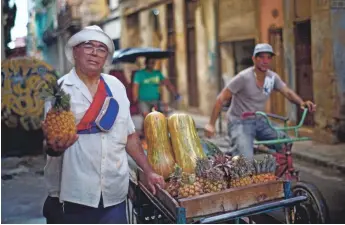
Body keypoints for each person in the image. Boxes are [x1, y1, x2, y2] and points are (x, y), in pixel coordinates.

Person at [42, 25, 165, 224]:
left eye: (101, 49)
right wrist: (54, 148)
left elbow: (130, 136)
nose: (94, 53)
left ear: (106, 56)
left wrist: (149, 171)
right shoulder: (61, 90)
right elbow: (50, 143)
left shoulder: (116, 86)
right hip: (74, 196)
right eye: (88, 46)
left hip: (114, 194)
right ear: (75, 51)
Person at [204, 43, 316, 159]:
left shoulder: (272, 78)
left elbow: (287, 92)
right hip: (240, 122)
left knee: (284, 142)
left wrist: (302, 103)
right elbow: (221, 98)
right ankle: (237, 157)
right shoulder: (243, 78)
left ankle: (275, 172)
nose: (265, 61)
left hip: (260, 121)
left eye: (268, 57)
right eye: (261, 57)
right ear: (254, 59)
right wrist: (211, 124)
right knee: (245, 159)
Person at [132, 58, 180, 135]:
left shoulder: (157, 73)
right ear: (146, 63)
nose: (151, 65)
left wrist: (175, 93)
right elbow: (135, 86)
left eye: (153, 63)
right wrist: (135, 97)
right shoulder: (139, 74)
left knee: (157, 118)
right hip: (143, 100)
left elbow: (167, 83)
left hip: (155, 99)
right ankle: (146, 134)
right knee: (147, 117)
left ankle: (153, 134)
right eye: (150, 63)